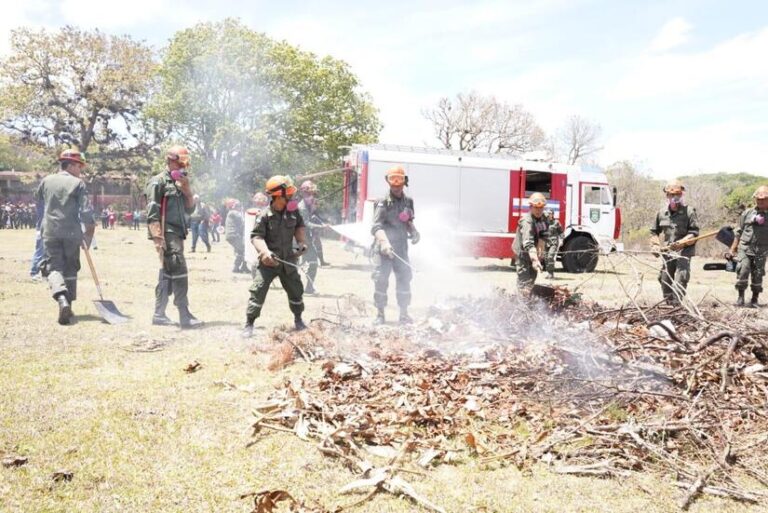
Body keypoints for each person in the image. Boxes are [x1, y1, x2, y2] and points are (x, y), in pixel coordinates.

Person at [242, 175, 308, 337]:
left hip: (288, 260)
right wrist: (265, 252)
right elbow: (256, 237)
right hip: (269, 263)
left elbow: (299, 227)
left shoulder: (293, 212)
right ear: (279, 195)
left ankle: (298, 320)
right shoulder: (264, 215)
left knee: (296, 290)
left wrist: (301, 243)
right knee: (258, 291)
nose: (292, 196)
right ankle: (249, 324)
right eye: (289, 193)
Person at [36, 149, 96, 324]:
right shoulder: (78, 184)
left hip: (50, 231)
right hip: (71, 232)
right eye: (79, 166)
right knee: (71, 268)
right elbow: (86, 210)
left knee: (54, 268)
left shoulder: (46, 181)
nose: (80, 170)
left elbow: (39, 200)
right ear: (70, 165)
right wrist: (89, 233)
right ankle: (67, 303)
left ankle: (62, 300)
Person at [145, 145, 203, 329]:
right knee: (179, 269)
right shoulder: (158, 182)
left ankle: (159, 314)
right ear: (171, 160)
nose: (183, 166)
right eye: (180, 163)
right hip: (166, 232)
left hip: (178, 233)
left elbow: (190, 210)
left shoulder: (180, 182)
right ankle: (184, 314)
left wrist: (187, 190)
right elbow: (152, 211)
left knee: (168, 273)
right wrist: (157, 237)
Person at [371, 165, 420, 325]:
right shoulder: (382, 202)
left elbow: (408, 221)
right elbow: (376, 227)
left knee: (404, 280)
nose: (396, 186)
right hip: (383, 250)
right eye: (393, 182)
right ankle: (380, 314)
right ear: (388, 182)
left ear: (404, 182)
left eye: (399, 183)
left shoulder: (408, 201)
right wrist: (385, 243)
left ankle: (404, 314)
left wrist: (414, 231)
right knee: (381, 280)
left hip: (401, 249)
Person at [649, 180, 699, 305]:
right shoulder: (661, 213)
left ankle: (677, 303)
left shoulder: (689, 212)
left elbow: (694, 233)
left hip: (684, 251)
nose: (675, 197)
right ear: (667, 195)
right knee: (664, 279)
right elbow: (654, 232)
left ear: (681, 195)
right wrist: (655, 245)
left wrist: (683, 241)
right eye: (671, 195)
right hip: (668, 251)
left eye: (677, 194)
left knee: (681, 277)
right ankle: (669, 303)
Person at [726, 185, 768, 307]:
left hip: (761, 250)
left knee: (758, 274)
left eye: (763, 199)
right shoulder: (747, 213)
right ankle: (740, 298)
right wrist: (732, 249)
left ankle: (754, 299)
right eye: (758, 199)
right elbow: (738, 232)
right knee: (742, 271)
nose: (760, 201)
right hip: (745, 248)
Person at [513, 193, 548, 293]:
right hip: (523, 253)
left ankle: (529, 296)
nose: (538, 210)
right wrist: (535, 259)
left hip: (533, 252)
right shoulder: (527, 221)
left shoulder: (544, 218)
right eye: (536, 207)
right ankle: (521, 299)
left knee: (532, 278)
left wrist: (541, 251)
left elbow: (544, 235)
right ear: (530, 207)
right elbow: (528, 243)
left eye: (541, 208)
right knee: (524, 279)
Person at [297, 180, 325, 294]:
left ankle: (309, 288)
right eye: (309, 194)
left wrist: (321, 224)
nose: (312, 197)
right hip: (297, 240)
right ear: (303, 194)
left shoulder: (308, 206)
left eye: (313, 194)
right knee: (292, 265)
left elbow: (312, 218)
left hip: (305, 239)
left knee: (313, 263)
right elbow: (306, 223)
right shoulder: (302, 207)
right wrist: (321, 227)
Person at [225, 198, 248, 273]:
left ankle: (243, 267)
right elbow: (244, 221)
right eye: (239, 206)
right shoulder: (234, 213)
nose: (240, 207)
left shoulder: (232, 213)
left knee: (241, 251)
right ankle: (237, 267)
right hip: (234, 235)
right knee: (244, 250)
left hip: (233, 235)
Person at [544, 209, 563, 279]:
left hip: (553, 243)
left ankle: (551, 273)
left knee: (550, 256)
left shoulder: (556, 222)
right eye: (548, 213)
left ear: (552, 214)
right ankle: (548, 272)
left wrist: (561, 240)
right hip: (546, 242)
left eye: (550, 213)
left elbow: (561, 232)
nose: (549, 215)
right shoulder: (544, 222)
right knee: (546, 258)